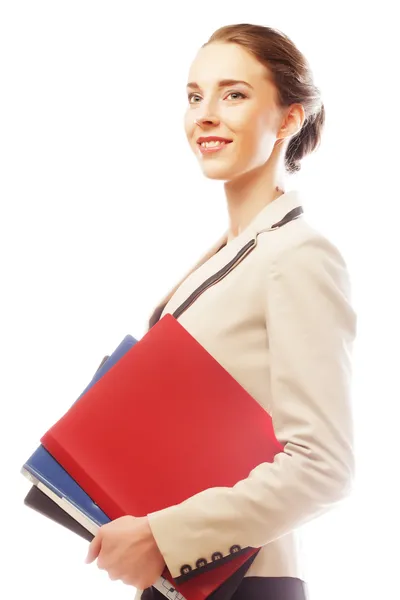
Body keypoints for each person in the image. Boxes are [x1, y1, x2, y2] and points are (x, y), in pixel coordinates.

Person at [85, 23, 357, 600]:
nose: (204, 114)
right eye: (194, 96)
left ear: (290, 118)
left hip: (245, 583)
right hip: (179, 582)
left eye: (233, 93)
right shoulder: (232, 253)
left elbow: (325, 467)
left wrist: (165, 534)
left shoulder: (298, 254)